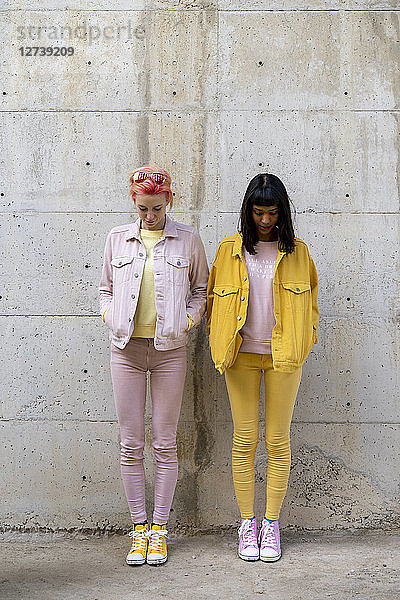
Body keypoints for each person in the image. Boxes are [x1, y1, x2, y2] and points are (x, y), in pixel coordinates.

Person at [99, 165, 209, 566]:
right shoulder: (117, 239)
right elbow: (104, 289)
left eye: (157, 208)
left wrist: (189, 320)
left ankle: (159, 531)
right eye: (144, 208)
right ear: (134, 203)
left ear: (170, 201)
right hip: (125, 350)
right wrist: (111, 315)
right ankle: (138, 529)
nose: (150, 216)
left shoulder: (188, 240)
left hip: (169, 351)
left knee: (164, 443)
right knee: (131, 444)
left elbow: (202, 290)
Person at [206, 173, 318, 562]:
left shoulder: (299, 252)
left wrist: (306, 341)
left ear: (282, 213)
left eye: (272, 213)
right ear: (247, 212)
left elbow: (312, 306)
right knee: (244, 439)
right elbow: (212, 303)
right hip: (240, 356)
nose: (265, 220)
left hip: (284, 357)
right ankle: (247, 523)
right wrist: (217, 340)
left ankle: (271, 524)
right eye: (258, 212)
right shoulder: (229, 250)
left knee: (277, 440)